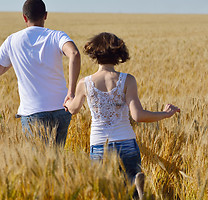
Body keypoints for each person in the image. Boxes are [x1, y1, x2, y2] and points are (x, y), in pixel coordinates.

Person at [64, 32, 180, 199]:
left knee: (104, 191)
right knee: (131, 188)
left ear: (95, 54)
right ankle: (136, 188)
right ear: (118, 53)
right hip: (126, 143)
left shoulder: (85, 83)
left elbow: (74, 109)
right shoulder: (128, 80)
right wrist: (165, 114)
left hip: (99, 146)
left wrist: (69, 101)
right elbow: (138, 116)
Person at [0, 0, 81, 147]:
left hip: (32, 111)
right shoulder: (57, 36)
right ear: (45, 15)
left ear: (24, 17)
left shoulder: (12, 40)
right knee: (57, 159)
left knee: (38, 162)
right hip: (61, 108)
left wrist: (15, 58)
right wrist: (71, 92)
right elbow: (75, 54)